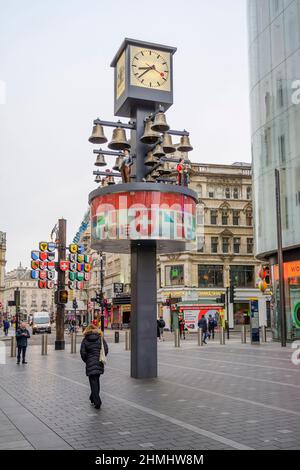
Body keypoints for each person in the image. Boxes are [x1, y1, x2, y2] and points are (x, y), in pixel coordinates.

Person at [80, 324, 108, 410]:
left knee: (93, 382)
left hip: (90, 363)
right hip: (99, 362)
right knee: (96, 381)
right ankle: (92, 397)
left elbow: (83, 353)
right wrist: (101, 357)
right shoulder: (100, 338)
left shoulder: (85, 340)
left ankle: (97, 401)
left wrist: (87, 360)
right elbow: (106, 349)